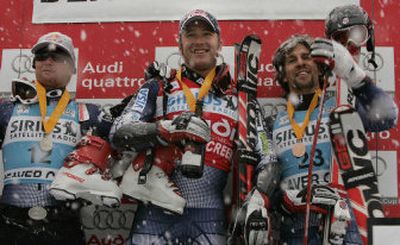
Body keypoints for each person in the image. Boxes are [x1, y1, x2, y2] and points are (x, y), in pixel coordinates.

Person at [110, 9, 268, 245]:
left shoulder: (241, 97)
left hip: (210, 215)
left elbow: (268, 154)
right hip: (155, 211)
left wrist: (260, 197)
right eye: (191, 35)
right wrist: (163, 131)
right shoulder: (159, 86)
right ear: (180, 44)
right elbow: (119, 132)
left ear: (219, 43)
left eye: (207, 34)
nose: (199, 41)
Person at [239, 32, 398, 244]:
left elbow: (387, 116)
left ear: (319, 67)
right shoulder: (271, 123)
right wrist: (284, 199)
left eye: (307, 57)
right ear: (283, 74)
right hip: (294, 227)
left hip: (342, 226)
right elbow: (267, 177)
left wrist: (353, 74)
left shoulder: (342, 111)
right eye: (292, 60)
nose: (301, 63)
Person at [0, 32, 121, 244]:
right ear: (34, 64)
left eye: (56, 57)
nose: (47, 61)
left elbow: (125, 135)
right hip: (10, 221)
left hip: (63, 222)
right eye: (41, 56)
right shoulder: (7, 109)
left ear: (72, 67)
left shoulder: (88, 113)